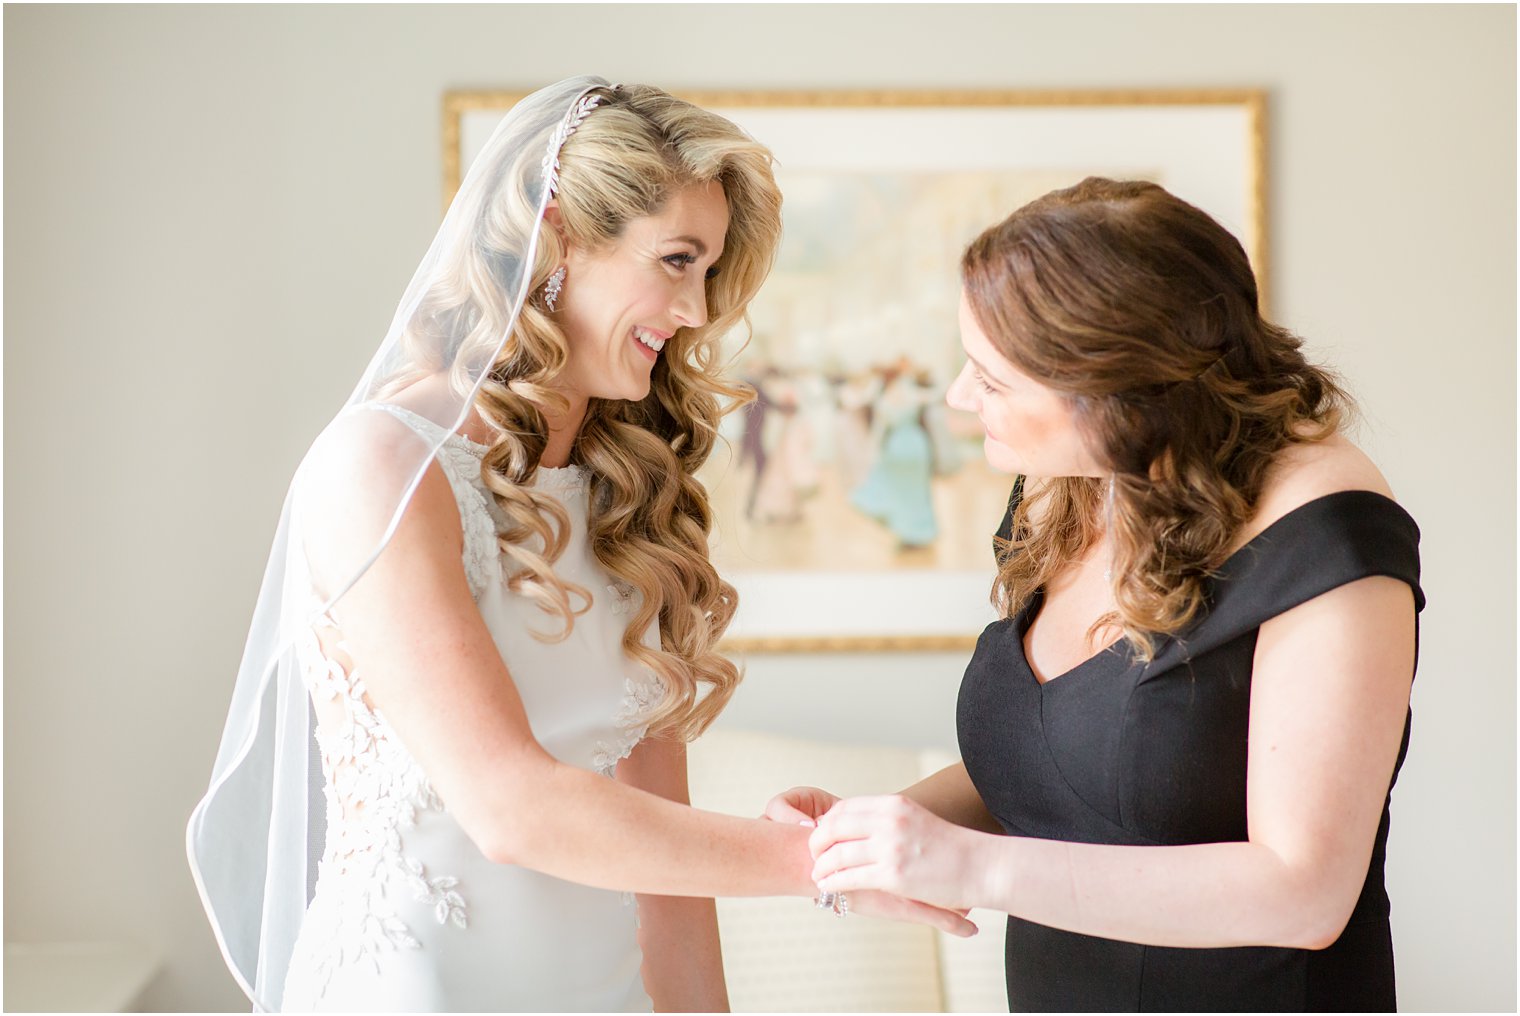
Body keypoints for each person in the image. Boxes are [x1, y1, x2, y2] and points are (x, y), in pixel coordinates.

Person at [185, 77, 973, 1014]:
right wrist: (825, 864)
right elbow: (509, 805)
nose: (693, 310)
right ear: (559, 232)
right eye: (677, 260)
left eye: (709, 274)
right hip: (417, 984)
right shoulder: (382, 466)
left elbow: (667, 873)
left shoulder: (634, 499)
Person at [769, 177, 1423, 1011]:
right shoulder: (1067, 486)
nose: (960, 399)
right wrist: (875, 834)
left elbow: (1304, 893)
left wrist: (969, 867)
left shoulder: (1328, 531)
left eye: (992, 379)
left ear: (1116, 393)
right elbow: (1069, 764)